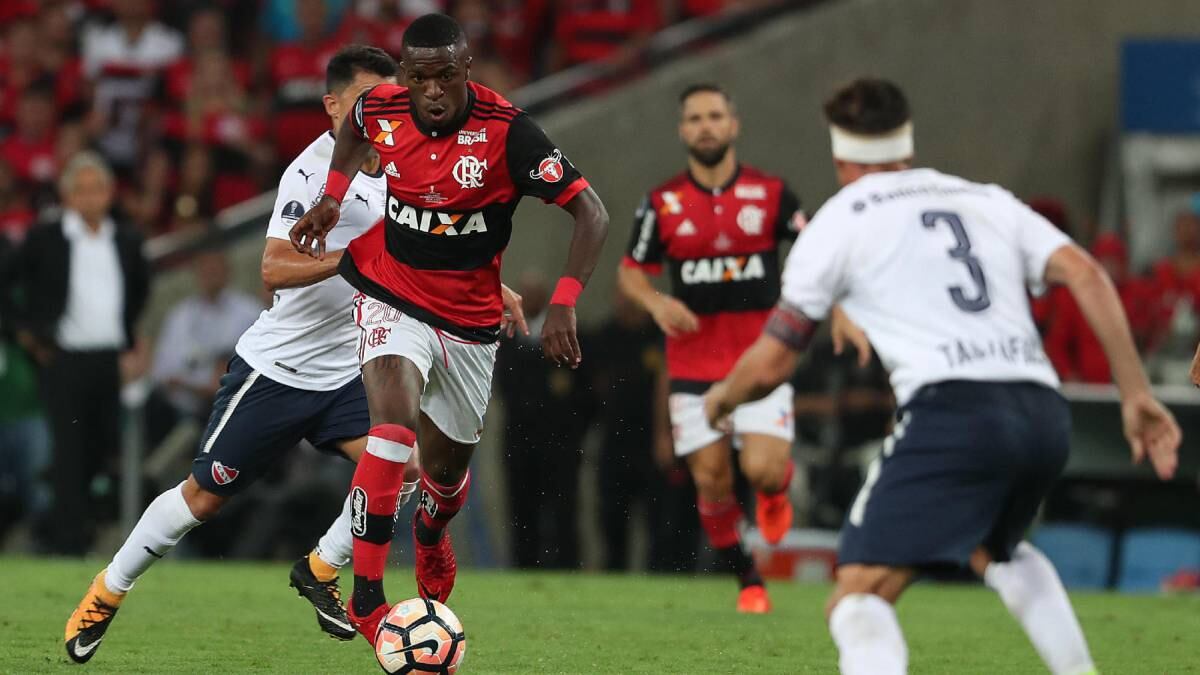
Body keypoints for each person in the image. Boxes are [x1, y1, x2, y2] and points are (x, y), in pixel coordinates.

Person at [61, 45, 529, 663]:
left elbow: (436, 245)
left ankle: (319, 567)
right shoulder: (310, 173)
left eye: (391, 99)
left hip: (352, 368)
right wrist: (361, 259)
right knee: (204, 496)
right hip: (278, 370)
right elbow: (273, 267)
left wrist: (492, 286)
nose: (384, 112)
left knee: (408, 466)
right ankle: (108, 589)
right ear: (333, 105)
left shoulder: (406, 164)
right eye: (369, 100)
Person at [704, 78, 1181, 674]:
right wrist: (1134, 394)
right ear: (906, 144)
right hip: (1040, 410)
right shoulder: (985, 199)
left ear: (840, 155)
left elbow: (774, 361)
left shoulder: (837, 221)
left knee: (859, 594)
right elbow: (1085, 273)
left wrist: (721, 398)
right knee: (998, 549)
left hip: (954, 411)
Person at [289, 13, 609, 642]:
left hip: (469, 320)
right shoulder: (382, 106)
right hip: (390, 293)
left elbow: (591, 212)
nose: (431, 90)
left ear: (466, 70)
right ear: (405, 76)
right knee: (388, 431)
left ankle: (431, 530)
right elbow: (353, 131)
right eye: (419, 77)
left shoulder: (510, 133)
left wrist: (565, 303)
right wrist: (332, 195)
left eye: (444, 76)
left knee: (444, 479)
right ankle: (367, 599)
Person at [617, 83, 813, 612]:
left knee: (762, 470)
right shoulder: (662, 203)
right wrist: (658, 304)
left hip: (760, 362)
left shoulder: (772, 195)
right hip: (693, 366)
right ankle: (748, 579)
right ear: (683, 130)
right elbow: (631, 271)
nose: (705, 125)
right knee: (712, 480)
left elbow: (815, 250)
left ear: (733, 124)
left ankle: (775, 490)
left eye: (714, 115)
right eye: (695, 118)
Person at [10, 151, 151, 556]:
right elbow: (10, 284)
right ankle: (68, 543)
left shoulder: (125, 240)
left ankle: (77, 528)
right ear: (67, 195)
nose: (90, 198)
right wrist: (26, 333)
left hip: (109, 362)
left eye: (98, 189)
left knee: (102, 450)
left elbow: (139, 291)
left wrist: (131, 338)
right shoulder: (46, 238)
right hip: (63, 360)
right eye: (81, 190)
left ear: (109, 193)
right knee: (69, 452)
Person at [495, 271, 594, 569]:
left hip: (560, 441)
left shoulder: (568, 336)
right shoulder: (507, 339)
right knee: (522, 510)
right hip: (519, 440)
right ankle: (523, 568)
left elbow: (585, 392)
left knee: (564, 509)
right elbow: (502, 386)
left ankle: (567, 567)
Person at [149, 250, 262, 426]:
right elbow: (162, 371)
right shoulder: (180, 316)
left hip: (237, 403)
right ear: (196, 275)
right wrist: (198, 386)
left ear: (227, 272)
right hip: (185, 407)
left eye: (215, 270)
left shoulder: (249, 312)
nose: (211, 276)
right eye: (205, 271)